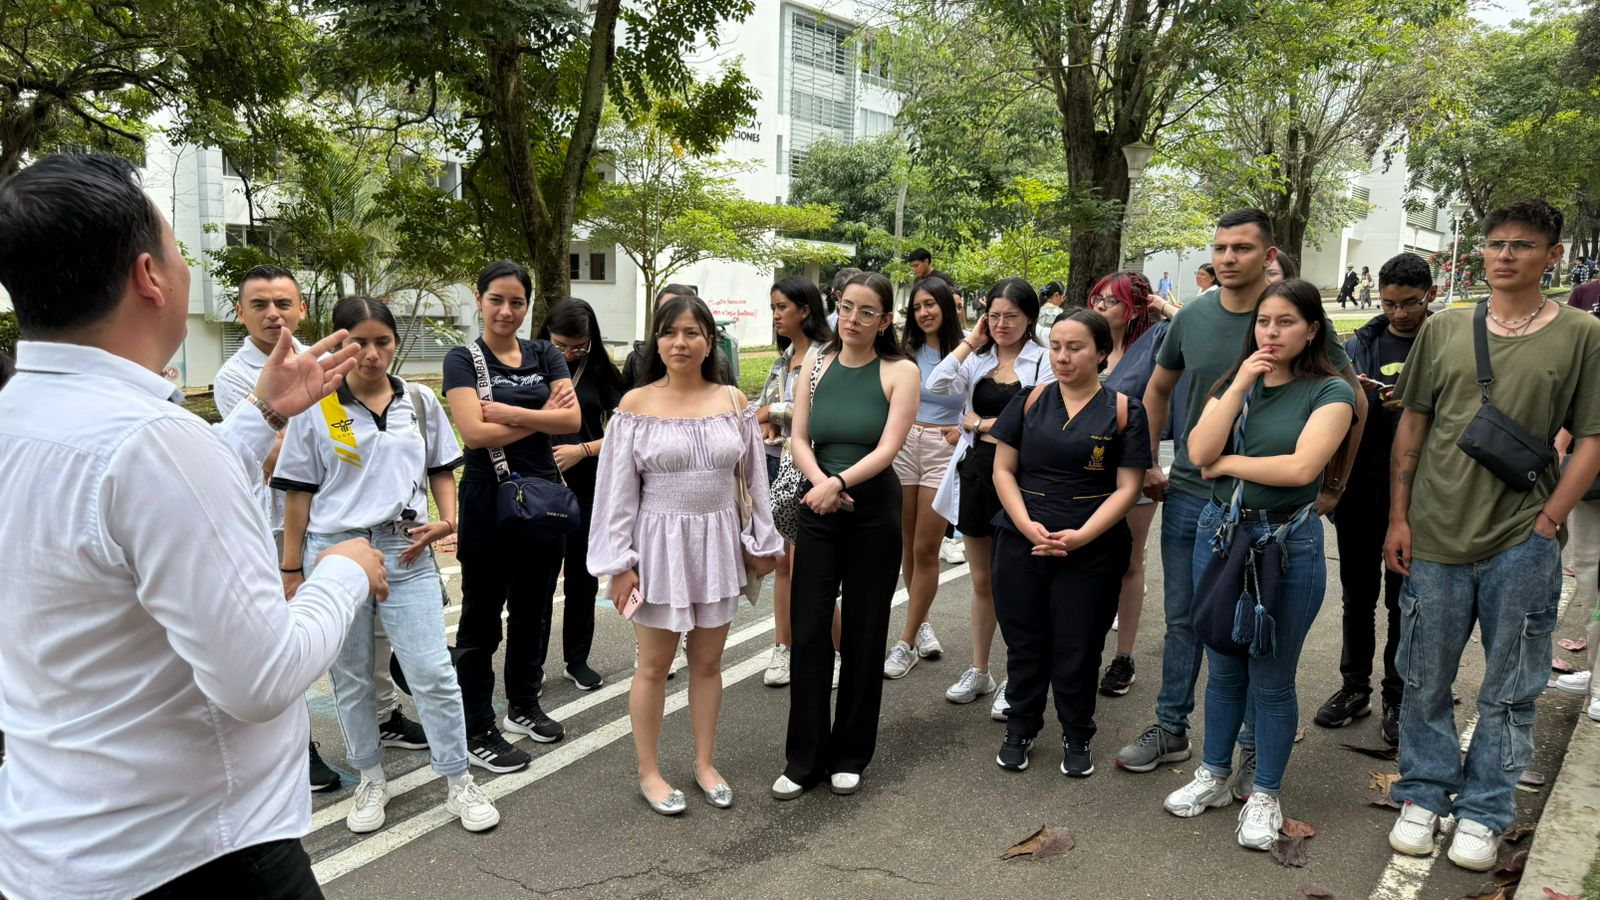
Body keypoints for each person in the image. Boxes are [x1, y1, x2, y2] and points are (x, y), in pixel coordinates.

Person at [0, 152, 381, 898]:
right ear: (149, 276)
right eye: (176, 250)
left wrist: (262, 415)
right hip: (195, 853)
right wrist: (343, 573)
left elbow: (133, 521)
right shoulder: (149, 440)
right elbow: (260, 676)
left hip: (57, 848)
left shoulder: (21, 416)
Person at [1385, 198, 1600, 872]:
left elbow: (1592, 439)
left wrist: (1550, 520)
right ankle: (1422, 793)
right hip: (1435, 535)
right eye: (1495, 243)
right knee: (1423, 677)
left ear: (1553, 256)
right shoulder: (1445, 329)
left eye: (1523, 245)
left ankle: (1485, 810)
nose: (1505, 256)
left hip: (1521, 542)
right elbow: (1412, 426)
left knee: (1512, 686)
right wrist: (1398, 513)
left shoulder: (1581, 335)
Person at [1131, 209, 1367, 789]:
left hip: (1276, 513)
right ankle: (1170, 727)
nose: (1228, 257)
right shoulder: (1194, 318)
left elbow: (1352, 402)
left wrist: (1333, 485)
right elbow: (1158, 391)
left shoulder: (1294, 315)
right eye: (1219, 247)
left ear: (1267, 255)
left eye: (1241, 247)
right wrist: (1147, 466)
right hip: (1195, 497)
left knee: (1258, 642)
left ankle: (1254, 751)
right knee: (1189, 619)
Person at [274, 296, 499, 835]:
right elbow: (298, 496)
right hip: (336, 553)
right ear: (338, 342)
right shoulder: (318, 408)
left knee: (432, 672)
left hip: (407, 550)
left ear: (395, 342)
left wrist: (448, 521)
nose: (371, 354)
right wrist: (291, 570)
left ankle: (458, 779)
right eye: (358, 341)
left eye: (382, 341)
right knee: (350, 678)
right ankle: (372, 777)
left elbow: (443, 469)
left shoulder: (418, 402)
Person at [216, 264, 426, 792]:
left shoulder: (323, 362)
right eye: (259, 305)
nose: (272, 314)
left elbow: (345, 450)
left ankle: (383, 717)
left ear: (302, 309)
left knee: (366, 638)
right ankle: (299, 746)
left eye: (283, 304)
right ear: (240, 313)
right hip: (271, 525)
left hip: (332, 522)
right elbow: (275, 456)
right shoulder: (234, 378)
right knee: (293, 638)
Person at [1162, 278, 1356, 849]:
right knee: (1222, 665)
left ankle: (1266, 792)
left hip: (1285, 545)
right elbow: (1197, 456)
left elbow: (1302, 471)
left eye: (1286, 323)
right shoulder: (1237, 381)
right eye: (1265, 322)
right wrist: (1244, 378)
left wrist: (1227, 463)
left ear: (1312, 329)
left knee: (1271, 677)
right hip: (1221, 537)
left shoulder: (1331, 392)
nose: (1271, 333)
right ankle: (1214, 775)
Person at [589, 294, 784, 815]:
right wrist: (620, 563)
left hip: (717, 545)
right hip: (656, 549)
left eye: (692, 332)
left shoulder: (734, 401)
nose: (681, 342)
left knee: (708, 662)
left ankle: (703, 763)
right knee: (653, 665)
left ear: (709, 341)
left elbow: (754, 482)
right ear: (657, 340)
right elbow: (615, 495)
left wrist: (762, 543)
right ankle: (649, 771)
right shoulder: (634, 407)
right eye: (670, 332)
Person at [773, 272, 919, 800]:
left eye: (866, 312)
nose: (853, 320)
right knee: (808, 628)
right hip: (818, 504)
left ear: (885, 320)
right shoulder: (817, 361)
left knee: (863, 630)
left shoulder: (900, 371)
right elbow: (799, 435)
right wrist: (821, 486)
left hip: (873, 508)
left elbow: (888, 449)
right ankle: (803, 757)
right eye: (846, 308)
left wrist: (838, 483)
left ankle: (851, 752)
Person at [989, 309, 1150, 776]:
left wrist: (1081, 537)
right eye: (1056, 346)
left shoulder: (1124, 409)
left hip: (1092, 546)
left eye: (1075, 348)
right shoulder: (1028, 400)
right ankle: (1020, 726)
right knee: (1024, 641)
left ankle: (1077, 732)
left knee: (1079, 645)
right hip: (1023, 539)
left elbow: (1127, 488)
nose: (1062, 356)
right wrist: (1025, 525)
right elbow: (1002, 469)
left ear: (1101, 353)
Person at [443, 260, 580, 773]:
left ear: (528, 305)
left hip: (542, 494)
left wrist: (508, 412)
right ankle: (477, 724)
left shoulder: (545, 351)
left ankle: (523, 704)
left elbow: (571, 420)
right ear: (478, 299)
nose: (506, 311)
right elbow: (473, 435)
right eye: (496, 299)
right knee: (481, 616)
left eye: (516, 302)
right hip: (488, 498)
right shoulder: (462, 359)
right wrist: (540, 409)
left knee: (534, 607)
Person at [1314, 253, 1433, 745]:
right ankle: (1354, 686)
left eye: (1410, 303)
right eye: (1390, 303)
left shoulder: (1444, 341)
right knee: (1356, 596)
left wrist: (1423, 403)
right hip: (1361, 488)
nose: (1399, 313)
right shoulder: (1359, 342)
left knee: (1405, 601)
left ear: (1429, 294)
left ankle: (1398, 695)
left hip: (1420, 492)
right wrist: (1354, 390)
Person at [928, 278, 1049, 715]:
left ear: (1029, 318)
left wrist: (975, 423)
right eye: (993, 315)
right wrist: (969, 341)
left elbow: (1039, 421)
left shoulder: (1043, 362)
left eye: (1011, 316)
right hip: (976, 477)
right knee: (982, 583)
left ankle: (1017, 679)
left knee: (1017, 585)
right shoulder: (977, 359)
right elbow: (937, 385)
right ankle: (980, 670)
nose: (1001, 324)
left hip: (1021, 483)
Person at [538, 298, 627, 691]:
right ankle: (531, 664)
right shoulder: (529, 365)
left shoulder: (602, 372)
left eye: (579, 347)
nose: (571, 354)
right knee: (536, 582)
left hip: (588, 487)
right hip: (539, 487)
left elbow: (627, 431)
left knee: (581, 580)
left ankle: (578, 660)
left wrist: (583, 450)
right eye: (561, 346)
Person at [756, 276, 837, 687]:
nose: (775, 316)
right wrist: (768, 418)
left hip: (816, 471)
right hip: (777, 466)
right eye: (772, 308)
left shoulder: (826, 355)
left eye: (781, 308)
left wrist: (773, 412)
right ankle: (782, 648)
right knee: (782, 563)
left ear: (806, 310)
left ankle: (834, 651)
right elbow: (762, 408)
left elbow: (819, 410)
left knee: (812, 565)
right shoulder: (782, 358)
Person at [883, 277, 966, 679]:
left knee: (926, 546)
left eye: (930, 304)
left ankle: (905, 641)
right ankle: (923, 623)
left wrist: (962, 429)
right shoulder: (906, 351)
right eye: (917, 307)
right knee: (905, 542)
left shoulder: (967, 348)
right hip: (904, 445)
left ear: (947, 306)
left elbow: (980, 395)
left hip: (942, 449)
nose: (924, 312)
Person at [1089, 272, 1164, 696]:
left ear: (1133, 308)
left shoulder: (1152, 347)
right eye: (1097, 299)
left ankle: (1123, 657)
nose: (1100, 307)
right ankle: (1081, 647)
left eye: (1111, 301)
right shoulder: (1088, 345)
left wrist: (1162, 305)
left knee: (1130, 560)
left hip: (1136, 464)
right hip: (1085, 466)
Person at [622, 285, 736, 386]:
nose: (679, 343)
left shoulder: (720, 362)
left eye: (691, 333)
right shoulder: (637, 360)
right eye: (667, 309)